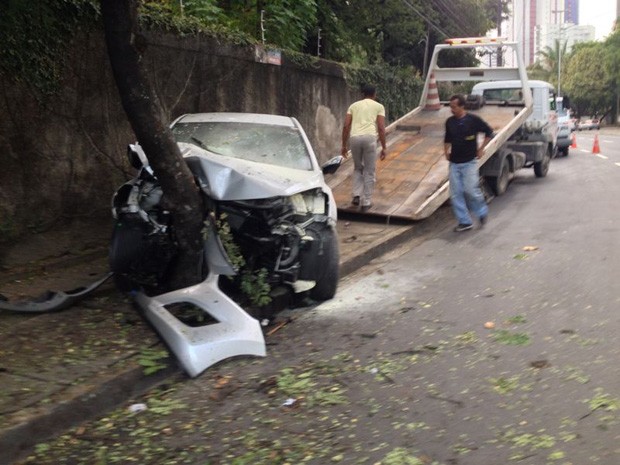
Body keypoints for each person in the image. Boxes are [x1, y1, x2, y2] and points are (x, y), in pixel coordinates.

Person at [444, 94, 493, 232]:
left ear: (462, 106)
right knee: (456, 193)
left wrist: (481, 149)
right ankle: (465, 222)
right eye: (450, 107)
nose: (451, 109)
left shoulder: (473, 120)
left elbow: (489, 132)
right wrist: (446, 150)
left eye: (454, 107)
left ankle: (482, 211)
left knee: (470, 190)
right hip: (454, 163)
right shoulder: (449, 122)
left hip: (469, 162)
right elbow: (447, 138)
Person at [341, 84, 387, 212]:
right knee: (369, 170)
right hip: (370, 138)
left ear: (363, 94)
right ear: (374, 94)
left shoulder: (353, 106)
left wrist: (343, 145)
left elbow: (346, 126)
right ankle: (366, 202)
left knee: (358, 167)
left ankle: (356, 195)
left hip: (354, 138)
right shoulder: (379, 107)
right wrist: (384, 147)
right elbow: (381, 128)